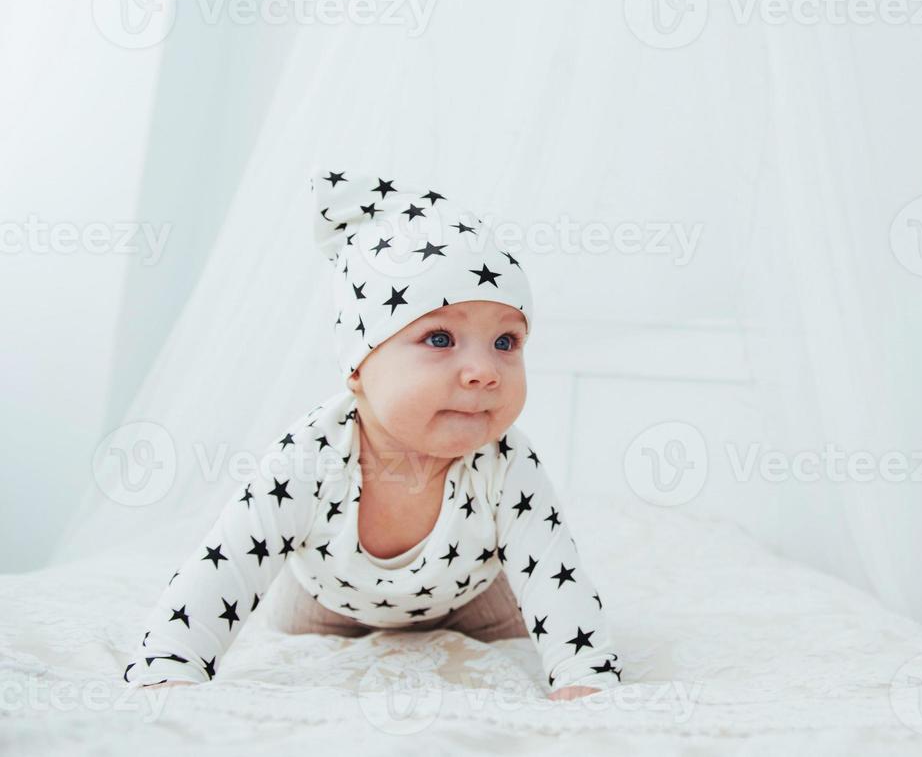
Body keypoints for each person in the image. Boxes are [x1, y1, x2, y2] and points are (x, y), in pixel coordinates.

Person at [122, 165, 624, 701]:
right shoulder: (310, 455)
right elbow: (229, 559)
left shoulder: (507, 461)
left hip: (471, 600)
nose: (485, 371)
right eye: (439, 338)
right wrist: (169, 665)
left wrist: (583, 679)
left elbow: (552, 567)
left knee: (528, 613)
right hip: (327, 604)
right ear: (358, 368)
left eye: (506, 342)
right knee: (284, 616)